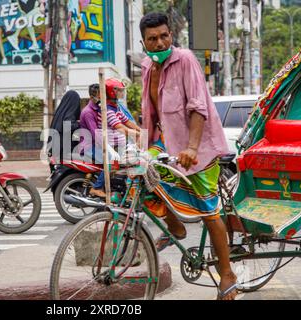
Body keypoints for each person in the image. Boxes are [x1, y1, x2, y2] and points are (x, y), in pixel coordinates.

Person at [139, 13, 237, 300]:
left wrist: (192, 148)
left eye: (164, 36)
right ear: (143, 42)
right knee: (139, 175)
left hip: (200, 149)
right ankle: (175, 226)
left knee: (209, 212)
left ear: (171, 35)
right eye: (153, 39)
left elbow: (198, 107)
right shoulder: (147, 66)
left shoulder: (185, 60)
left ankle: (227, 272)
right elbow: (152, 113)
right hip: (168, 144)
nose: (160, 42)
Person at [88, 78, 141, 198]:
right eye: (120, 91)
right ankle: (96, 188)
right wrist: (137, 134)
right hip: (110, 145)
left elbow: (126, 121)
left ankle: (122, 188)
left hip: (117, 144)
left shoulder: (115, 107)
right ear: (112, 92)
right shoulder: (107, 111)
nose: (122, 93)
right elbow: (121, 127)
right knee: (114, 163)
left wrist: (140, 130)